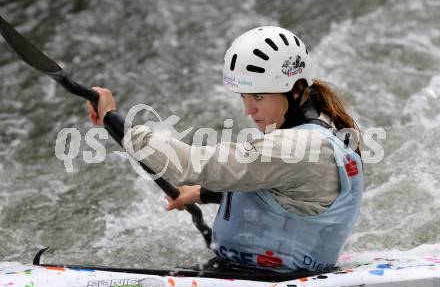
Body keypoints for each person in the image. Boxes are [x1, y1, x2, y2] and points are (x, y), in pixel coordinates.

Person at [87, 26, 363, 273]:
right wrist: (200, 193)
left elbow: (191, 164)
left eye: (258, 96)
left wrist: (113, 117)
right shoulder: (319, 135)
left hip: (273, 278)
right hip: (258, 271)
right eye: (244, 97)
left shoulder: (298, 146)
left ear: (295, 90)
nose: (248, 109)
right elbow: (285, 188)